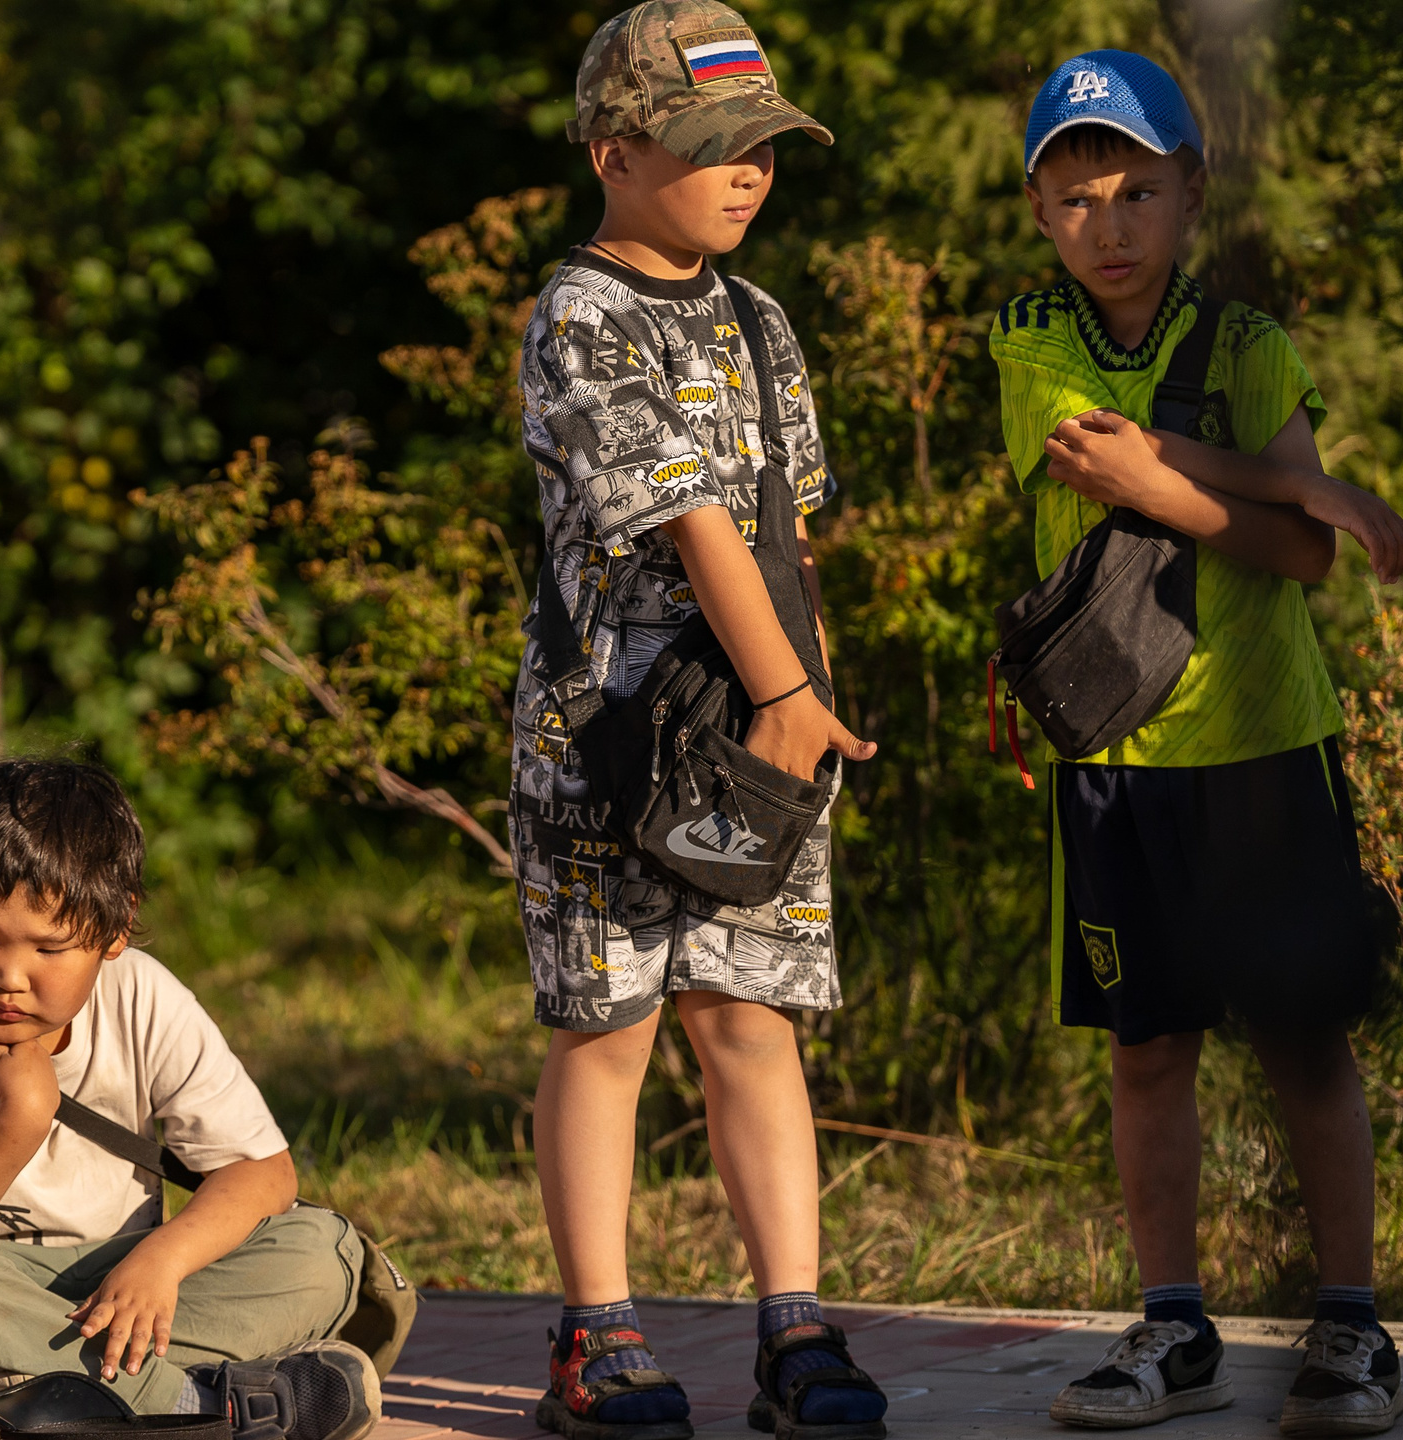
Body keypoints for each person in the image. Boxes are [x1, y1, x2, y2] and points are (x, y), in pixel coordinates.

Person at [990, 51, 1403, 1437]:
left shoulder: (1250, 346)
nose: (1107, 225)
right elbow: (1108, 460)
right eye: (1074, 198)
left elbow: (1305, 561)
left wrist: (1279, 501)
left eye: (1136, 191)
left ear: (1191, 193)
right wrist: (1295, 485)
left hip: (1264, 743)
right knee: (1147, 1050)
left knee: (1303, 1041)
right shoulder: (1028, 337)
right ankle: (1174, 1328)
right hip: (1114, 757)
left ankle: (1351, 1329)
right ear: (1037, 212)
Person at [510, 5, 890, 1439]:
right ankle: (597, 1334)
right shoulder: (580, 315)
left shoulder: (758, 318)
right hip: (606, 742)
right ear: (613, 154)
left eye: (765, 150)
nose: (747, 173)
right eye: (712, 146)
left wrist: (810, 711)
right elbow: (692, 523)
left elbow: (787, 535)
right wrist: (789, 696)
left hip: (760, 740)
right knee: (608, 1028)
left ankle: (795, 1326)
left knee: (752, 1021)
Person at [0, 759, 381, 1440]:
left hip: (119, 1286)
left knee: (323, 1248)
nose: (9, 977)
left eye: (50, 948)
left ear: (116, 929)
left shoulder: (143, 993)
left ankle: (42, 1402)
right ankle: (199, 1405)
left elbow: (263, 1173)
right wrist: (21, 1120)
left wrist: (161, 1260)